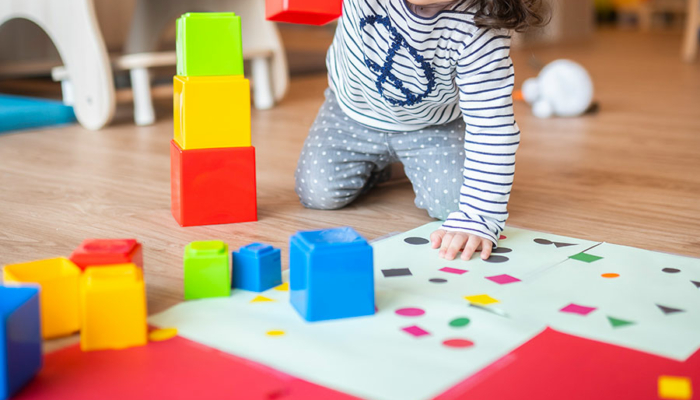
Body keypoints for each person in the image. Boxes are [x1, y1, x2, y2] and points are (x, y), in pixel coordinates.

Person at [295, 0, 548, 260]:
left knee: (452, 202)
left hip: (433, 124)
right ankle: (384, 168)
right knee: (318, 191)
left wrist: (479, 217)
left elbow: (492, 127)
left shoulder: (481, 26)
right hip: (353, 111)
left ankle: (405, 162)